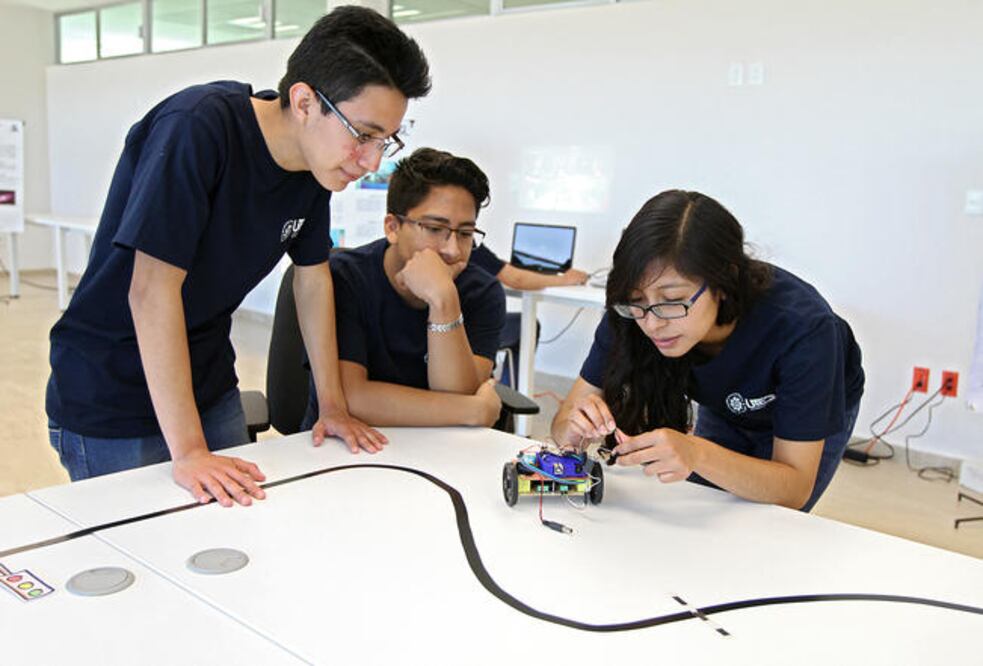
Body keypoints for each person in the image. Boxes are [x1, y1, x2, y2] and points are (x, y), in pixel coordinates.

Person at [45, 7, 431, 507]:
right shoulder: (199, 128)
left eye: (386, 140)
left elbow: (313, 281)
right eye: (363, 134)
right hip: (112, 386)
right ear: (305, 101)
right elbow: (150, 290)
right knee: (146, 554)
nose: (373, 160)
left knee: (234, 535)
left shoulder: (315, 169)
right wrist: (188, 451)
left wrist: (332, 405)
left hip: (207, 380)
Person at [551, 190, 864, 511]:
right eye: (637, 301)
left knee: (773, 521)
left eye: (672, 301)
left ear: (724, 282)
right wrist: (574, 431)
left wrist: (697, 452)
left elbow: (794, 487)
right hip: (724, 402)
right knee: (706, 505)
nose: (652, 324)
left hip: (818, 399)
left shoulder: (803, 329)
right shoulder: (634, 315)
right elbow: (563, 423)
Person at [300, 148, 505, 429]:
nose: (453, 249)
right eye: (435, 228)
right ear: (393, 227)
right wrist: (473, 411)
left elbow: (460, 395)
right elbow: (352, 399)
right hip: (348, 443)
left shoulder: (483, 292)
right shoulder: (345, 277)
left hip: (439, 449)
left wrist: (444, 301)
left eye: (466, 234)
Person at [469, 244, 589, 387]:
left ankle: (508, 390)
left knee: (520, 323)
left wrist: (517, 268)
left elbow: (495, 265)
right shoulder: (467, 242)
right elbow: (517, 280)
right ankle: (510, 392)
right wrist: (566, 279)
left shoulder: (465, 245)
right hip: (468, 331)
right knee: (525, 327)